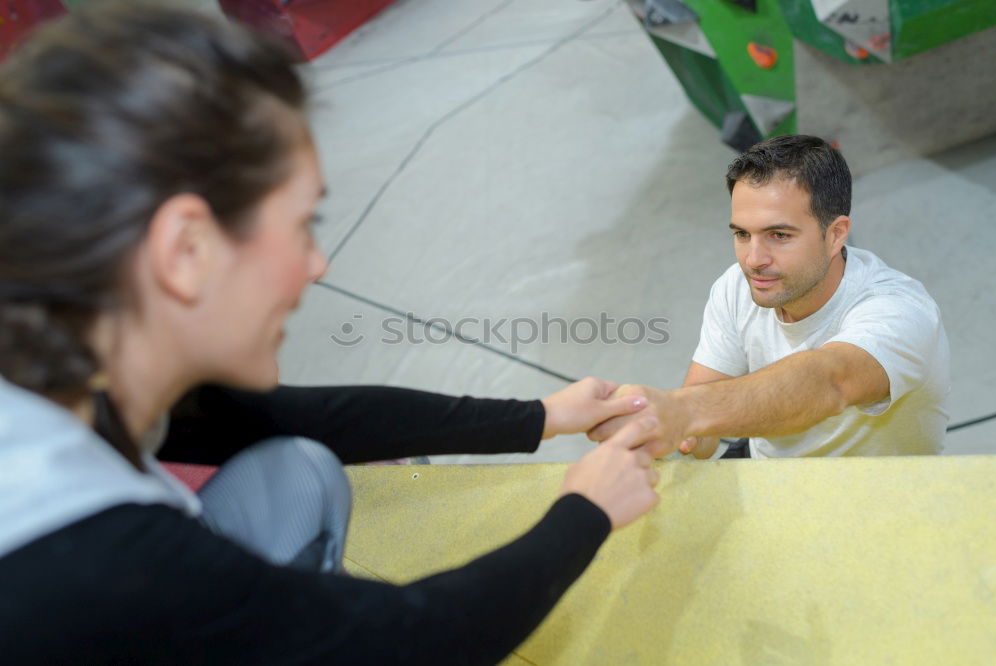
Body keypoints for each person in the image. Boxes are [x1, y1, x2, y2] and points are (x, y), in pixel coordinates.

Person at [0, 4, 662, 664]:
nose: (318, 266)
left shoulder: (66, 359)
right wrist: (585, 510)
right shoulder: (96, 564)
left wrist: (542, 416)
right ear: (184, 250)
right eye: (300, 224)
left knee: (298, 468)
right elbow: (415, 640)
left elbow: (295, 418)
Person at [590, 135, 949, 459]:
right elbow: (702, 433)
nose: (753, 260)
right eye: (742, 234)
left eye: (779, 235)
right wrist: (665, 428)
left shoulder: (899, 310)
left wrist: (685, 411)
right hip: (769, 472)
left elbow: (832, 381)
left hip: (876, 501)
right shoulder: (736, 287)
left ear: (836, 234)